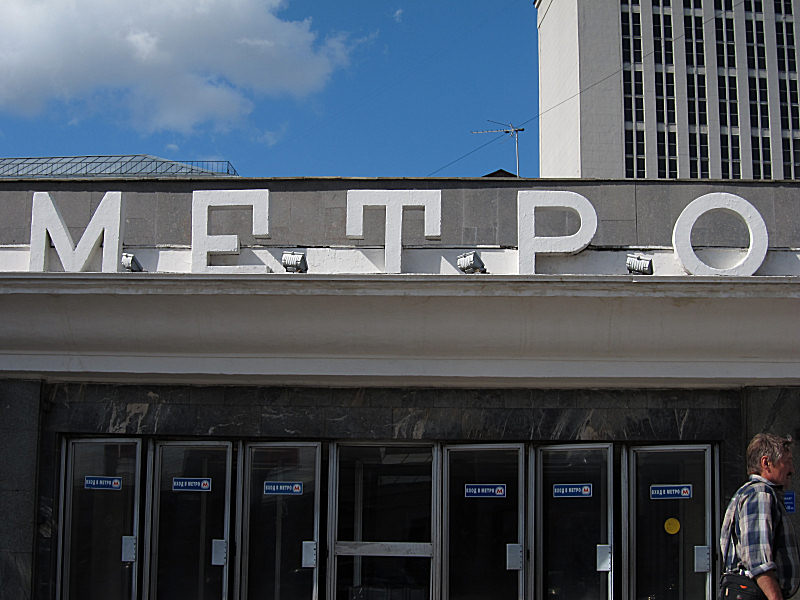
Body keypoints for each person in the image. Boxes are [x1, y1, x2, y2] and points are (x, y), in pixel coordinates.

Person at [720, 433, 800, 600]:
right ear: (766, 463)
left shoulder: (751, 493)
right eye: (788, 461)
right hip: (757, 594)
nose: (792, 469)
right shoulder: (760, 494)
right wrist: (775, 597)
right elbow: (758, 560)